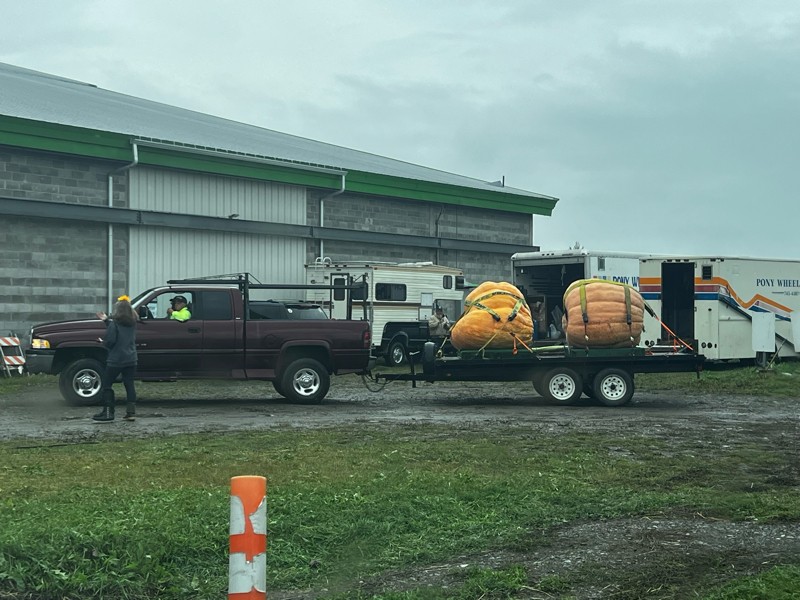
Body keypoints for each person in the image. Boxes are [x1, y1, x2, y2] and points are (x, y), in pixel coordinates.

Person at [93, 296, 138, 423]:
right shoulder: (133, 323)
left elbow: (111, 341)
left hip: (116, 359)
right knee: (129, 384)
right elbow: (121, 331)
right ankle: (131, 413)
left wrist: (102, 342)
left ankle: (108, 412)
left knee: (107, 384)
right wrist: (106, 320)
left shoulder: (114, 324)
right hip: (131, 358)